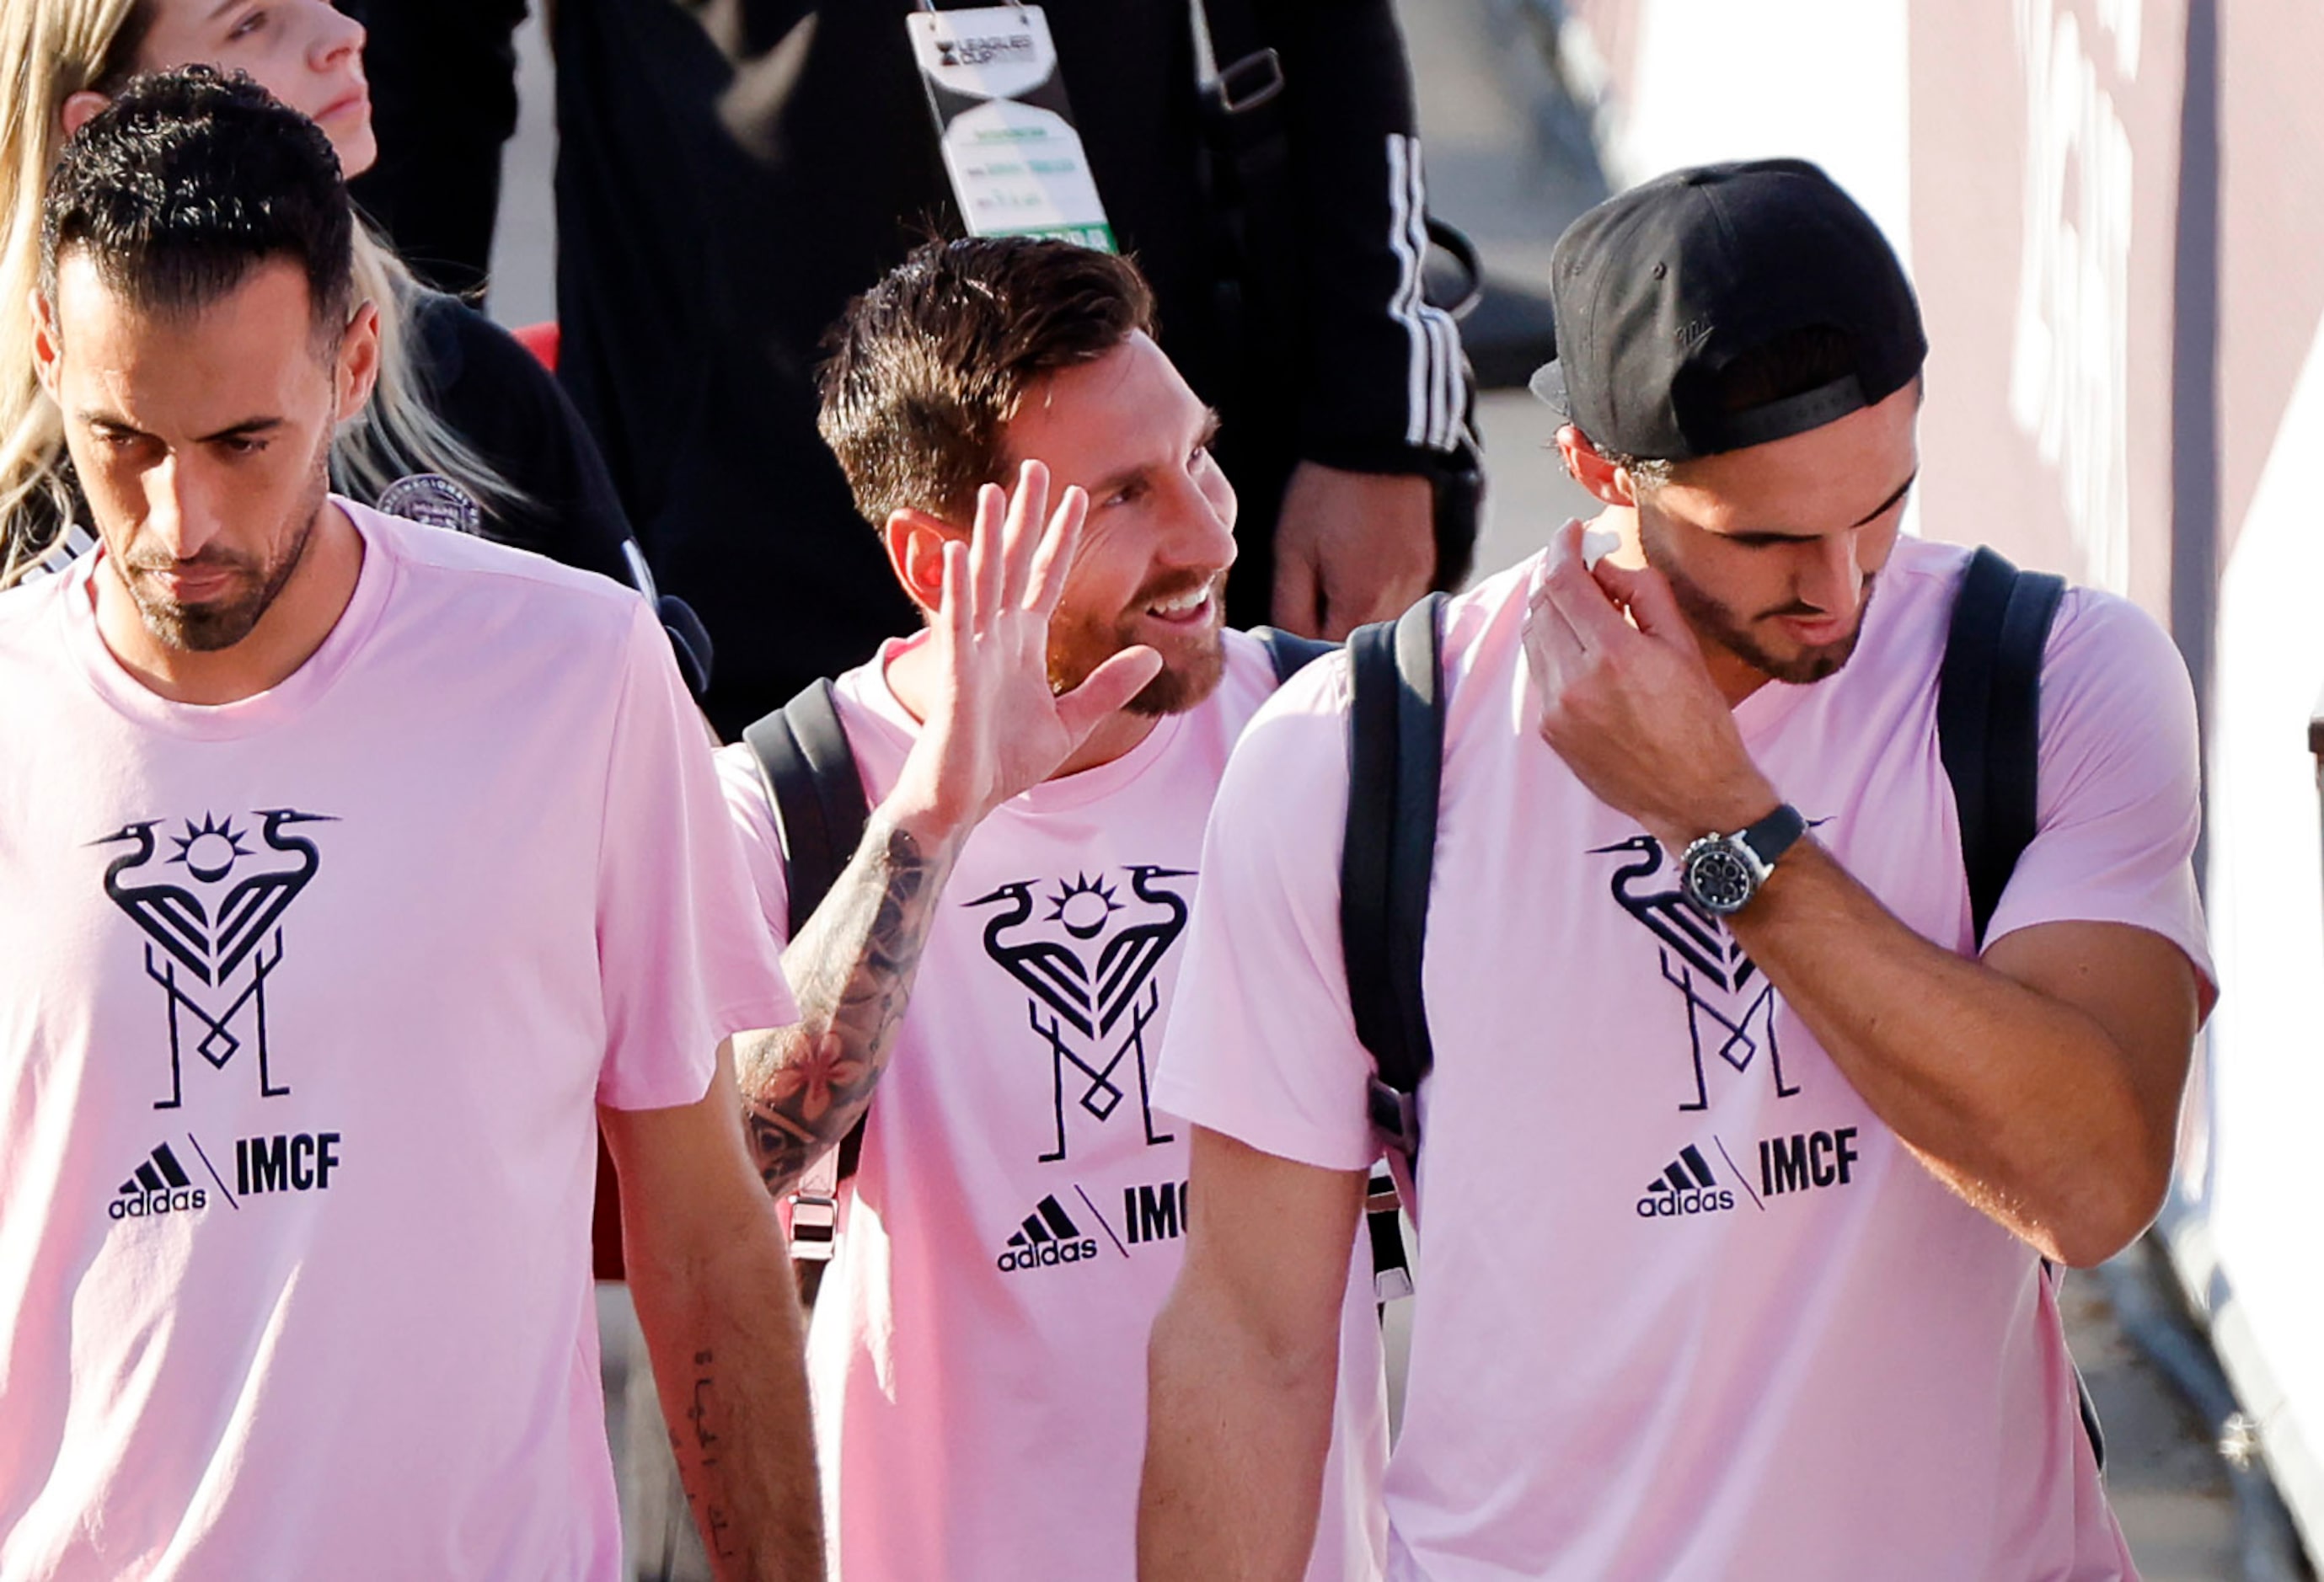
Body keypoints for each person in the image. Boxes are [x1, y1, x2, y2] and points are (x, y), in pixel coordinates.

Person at [1140, 159, 2214, 1579]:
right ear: (1593, 466)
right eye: (1763, 536)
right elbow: (1250, 1338)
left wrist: (1725, 825)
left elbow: (2087, 1182)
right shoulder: (1349, 760)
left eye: (1878, 505)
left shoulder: (2049, 676)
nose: (1837, 585)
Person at [0, 72, 818, 1578]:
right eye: (125, 441)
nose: (182, 524)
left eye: (245, 441)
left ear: (359, 357)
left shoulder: (575, 675)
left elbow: (702, 1227)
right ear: (48, 354)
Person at [721, 237, 1387, 1580]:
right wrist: (934, 814)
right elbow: (719, 1162)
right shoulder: (789, 794)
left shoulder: (1334, 736)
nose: (1208, 532)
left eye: (1198, 455)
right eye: (1123, 495)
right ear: (932, 555)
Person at [549, 0, 1473, 738]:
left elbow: (1325, 24)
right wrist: (438, 446)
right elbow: (431, 65)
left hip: (1161, 490)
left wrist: (1376, 427)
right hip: (734, 496)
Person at [0, 0, 661, 649]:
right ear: (106, 123)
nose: (344, 34)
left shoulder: (466, 383)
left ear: (357, 361)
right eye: (250, 23)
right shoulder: (23, 514)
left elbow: (659, 717)